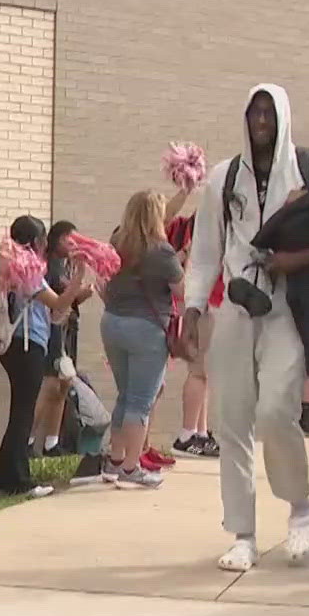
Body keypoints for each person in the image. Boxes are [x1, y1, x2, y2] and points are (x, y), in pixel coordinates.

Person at [183, 84, 309, 572]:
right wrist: (193, 308)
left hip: (290, 307)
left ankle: (300, 505)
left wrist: (301, 258)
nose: (261, 120)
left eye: (269, 112)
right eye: (254, 112)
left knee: (273, 412)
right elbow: (205, 251)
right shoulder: (224, 179)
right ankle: (242, 533)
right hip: (236, 308)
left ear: (284, 117)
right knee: (230, 422)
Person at [0, 216, 89, 497]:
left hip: (16, 345)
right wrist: (79, 277)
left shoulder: (7, 262)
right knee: (23, 413)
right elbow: (58, 301)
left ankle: (5, 474)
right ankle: (18, 479)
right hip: (27, 344)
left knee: (19, 412)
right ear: (36, 242)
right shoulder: (28, 270)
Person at [100, 190, 181, 489]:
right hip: (146, 328)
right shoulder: (161, 250)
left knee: (124, 395)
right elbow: (181, 291)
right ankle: (132, 469)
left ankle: (115, 460)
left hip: (112, 322)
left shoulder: (118, 240)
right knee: (140, 401)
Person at [164, 211, 219, 457]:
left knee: (204, 374)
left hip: (207, 306)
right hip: (201, 307)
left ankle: (200, 432)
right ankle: (186, 435)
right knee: (198, 372)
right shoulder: (198, 247)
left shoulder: (201, 246)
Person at [34, 221, 89, 462]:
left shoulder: (65, 266)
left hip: (68, 328)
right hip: (54, 331)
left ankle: (52, 441)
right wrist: (80, 286)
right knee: (50, 383)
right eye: (68, 240)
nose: (73, 245)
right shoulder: (51, 267)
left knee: (63, 384)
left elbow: (70, 300)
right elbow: (60, 299)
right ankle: (30, 439)